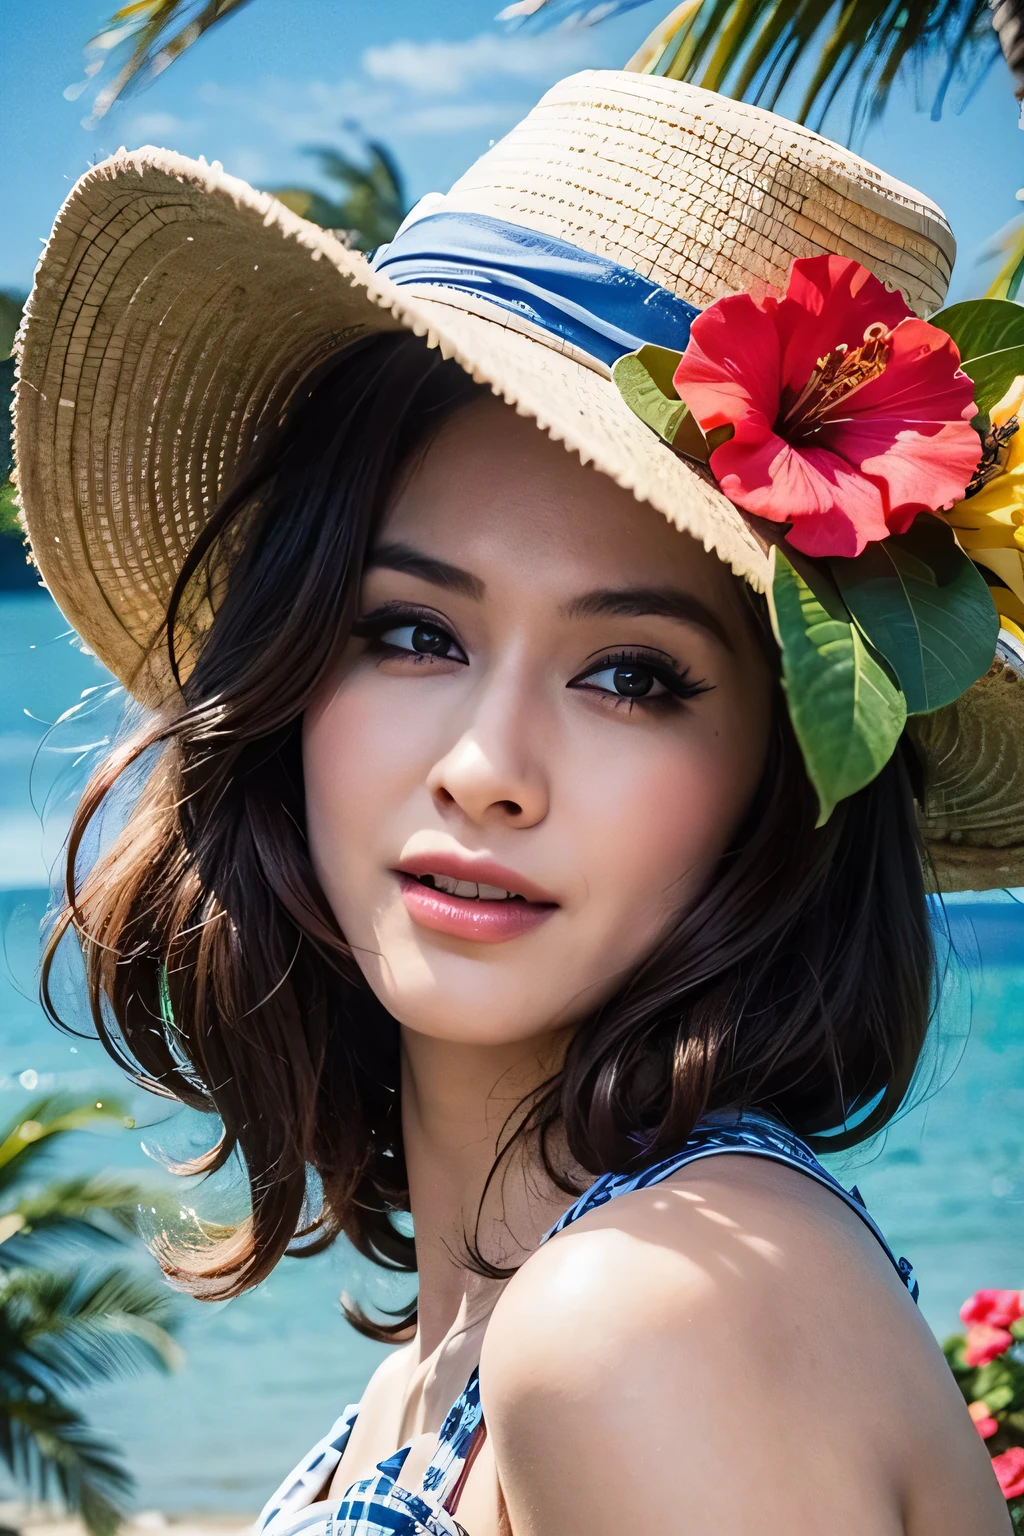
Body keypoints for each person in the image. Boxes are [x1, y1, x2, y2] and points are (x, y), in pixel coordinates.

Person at [13, 62, 1020, 1536]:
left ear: (792, 779)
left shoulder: (645, 1325)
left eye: (633, 675)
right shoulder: (499, 1341)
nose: (486, 768)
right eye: (413, 632)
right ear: (293, 671)